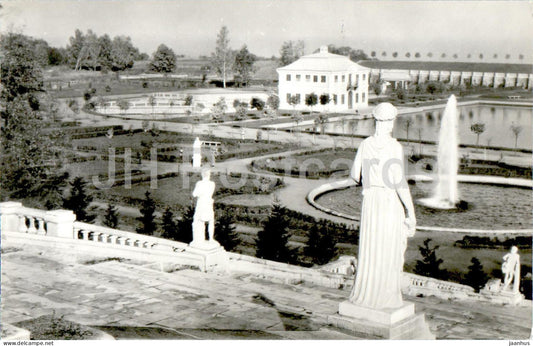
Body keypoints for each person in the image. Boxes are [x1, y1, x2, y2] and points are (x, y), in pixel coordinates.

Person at [348, 102, 416, 310]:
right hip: (388, 202)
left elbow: (353, 175)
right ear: (390, 123)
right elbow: (398, 182)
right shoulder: (394, 146)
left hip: (371, 201)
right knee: (388, 249)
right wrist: (410, 212)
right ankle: (385, 297)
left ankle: (367, 295)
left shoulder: (365, 144)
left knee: (371, 248)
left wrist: (369, 182)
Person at [192, 168, 216, 243]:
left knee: (197, 220)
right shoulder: (212, 184)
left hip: (201, 203)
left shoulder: (199, 183)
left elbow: (194, 194)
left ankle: (197, 238)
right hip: (208, 203)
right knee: (211, 220)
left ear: (202, 175)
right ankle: (211, 238)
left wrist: (199, 192)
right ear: (209, 175)